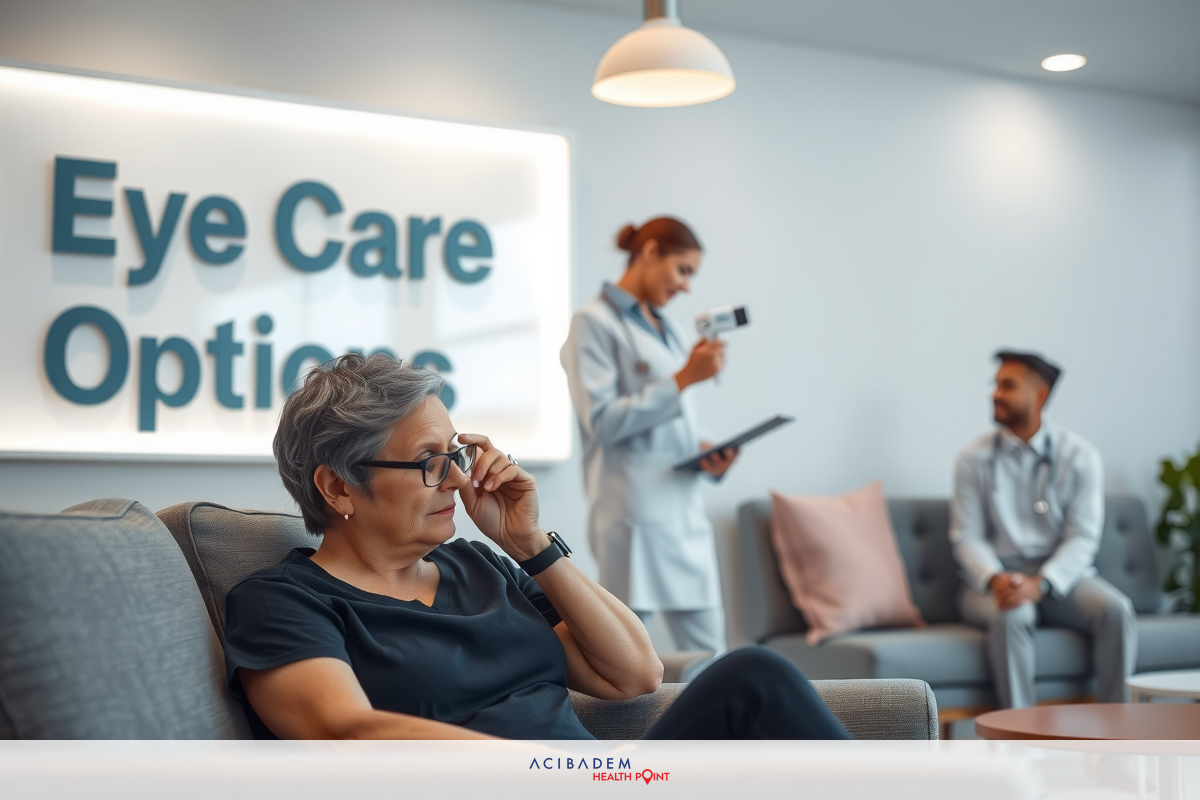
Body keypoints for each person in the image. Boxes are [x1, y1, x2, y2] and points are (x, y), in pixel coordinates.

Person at [222, 353, 849, 740]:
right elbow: (347, 732)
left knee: (752, 677)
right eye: (430, 464)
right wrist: (542, 774)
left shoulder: (479, 566)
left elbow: (636, 673)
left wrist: (531, 544)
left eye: (458, 456)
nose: (463, 480)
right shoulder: (284, 602)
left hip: (593, 784)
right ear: (339, 488)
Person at [559, 218, 736, 670]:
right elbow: (602, 422)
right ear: (651, 251)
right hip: (633, 516)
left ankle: (726, 742)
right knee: (623, 663)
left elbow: (665, 422)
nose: (687, 286)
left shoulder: (670, 329)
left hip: (684, 513)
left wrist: (706, 454)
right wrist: (684, 378)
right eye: (683, 270)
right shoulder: (592, 323)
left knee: (714, 662)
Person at [950, 350, 1137, 709]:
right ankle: (1021, 742)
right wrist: (995, 578)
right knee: (1013, 613)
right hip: (995, 580)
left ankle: (1119, 732)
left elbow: (1083, 537)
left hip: (1060, 579)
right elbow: (967, 536)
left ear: (1040, 395)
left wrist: (1043, 582)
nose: (995, 394)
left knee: (1116, 610)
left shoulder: (1080, 456)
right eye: (996, 384)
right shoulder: (972, 458)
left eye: (1008, 385)